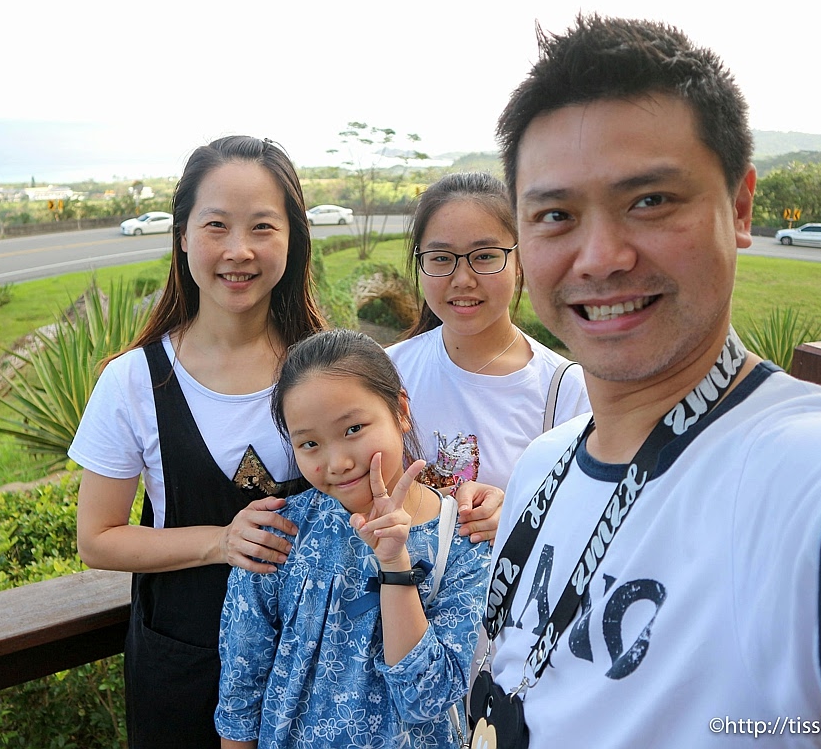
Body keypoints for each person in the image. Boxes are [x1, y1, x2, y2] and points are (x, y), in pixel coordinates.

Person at [472, 15, 821, 748]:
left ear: (740, 207)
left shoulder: (800, 469)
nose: (601, 257)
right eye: (556, 214)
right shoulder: (541, 464)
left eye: (650, 201)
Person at [69, 136, 503, 747]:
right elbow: (97, 538)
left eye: (263, 227)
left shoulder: (333, 366)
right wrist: (221, 542)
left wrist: (477, 502)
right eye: (216, 225)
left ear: (292, 239)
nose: (238, 250)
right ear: (184, 236)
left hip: (338, 685)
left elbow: (396, 474)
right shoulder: (134, 381)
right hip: (186, 662)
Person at [215, 329, 491, 748]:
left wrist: (395, 566)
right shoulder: (279, 534)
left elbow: (427, 698)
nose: (337, 462)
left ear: (400, 410)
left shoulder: (463, 537)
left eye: (353, 429)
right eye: (309, 443)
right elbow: (240, 692)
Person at [387, 171, 590, 493]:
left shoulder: (566, 392)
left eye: (484, 256)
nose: (463, 279)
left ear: (519, 259)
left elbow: (581, 515)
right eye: (441, 258)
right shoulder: (385, 372)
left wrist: (509, 514)